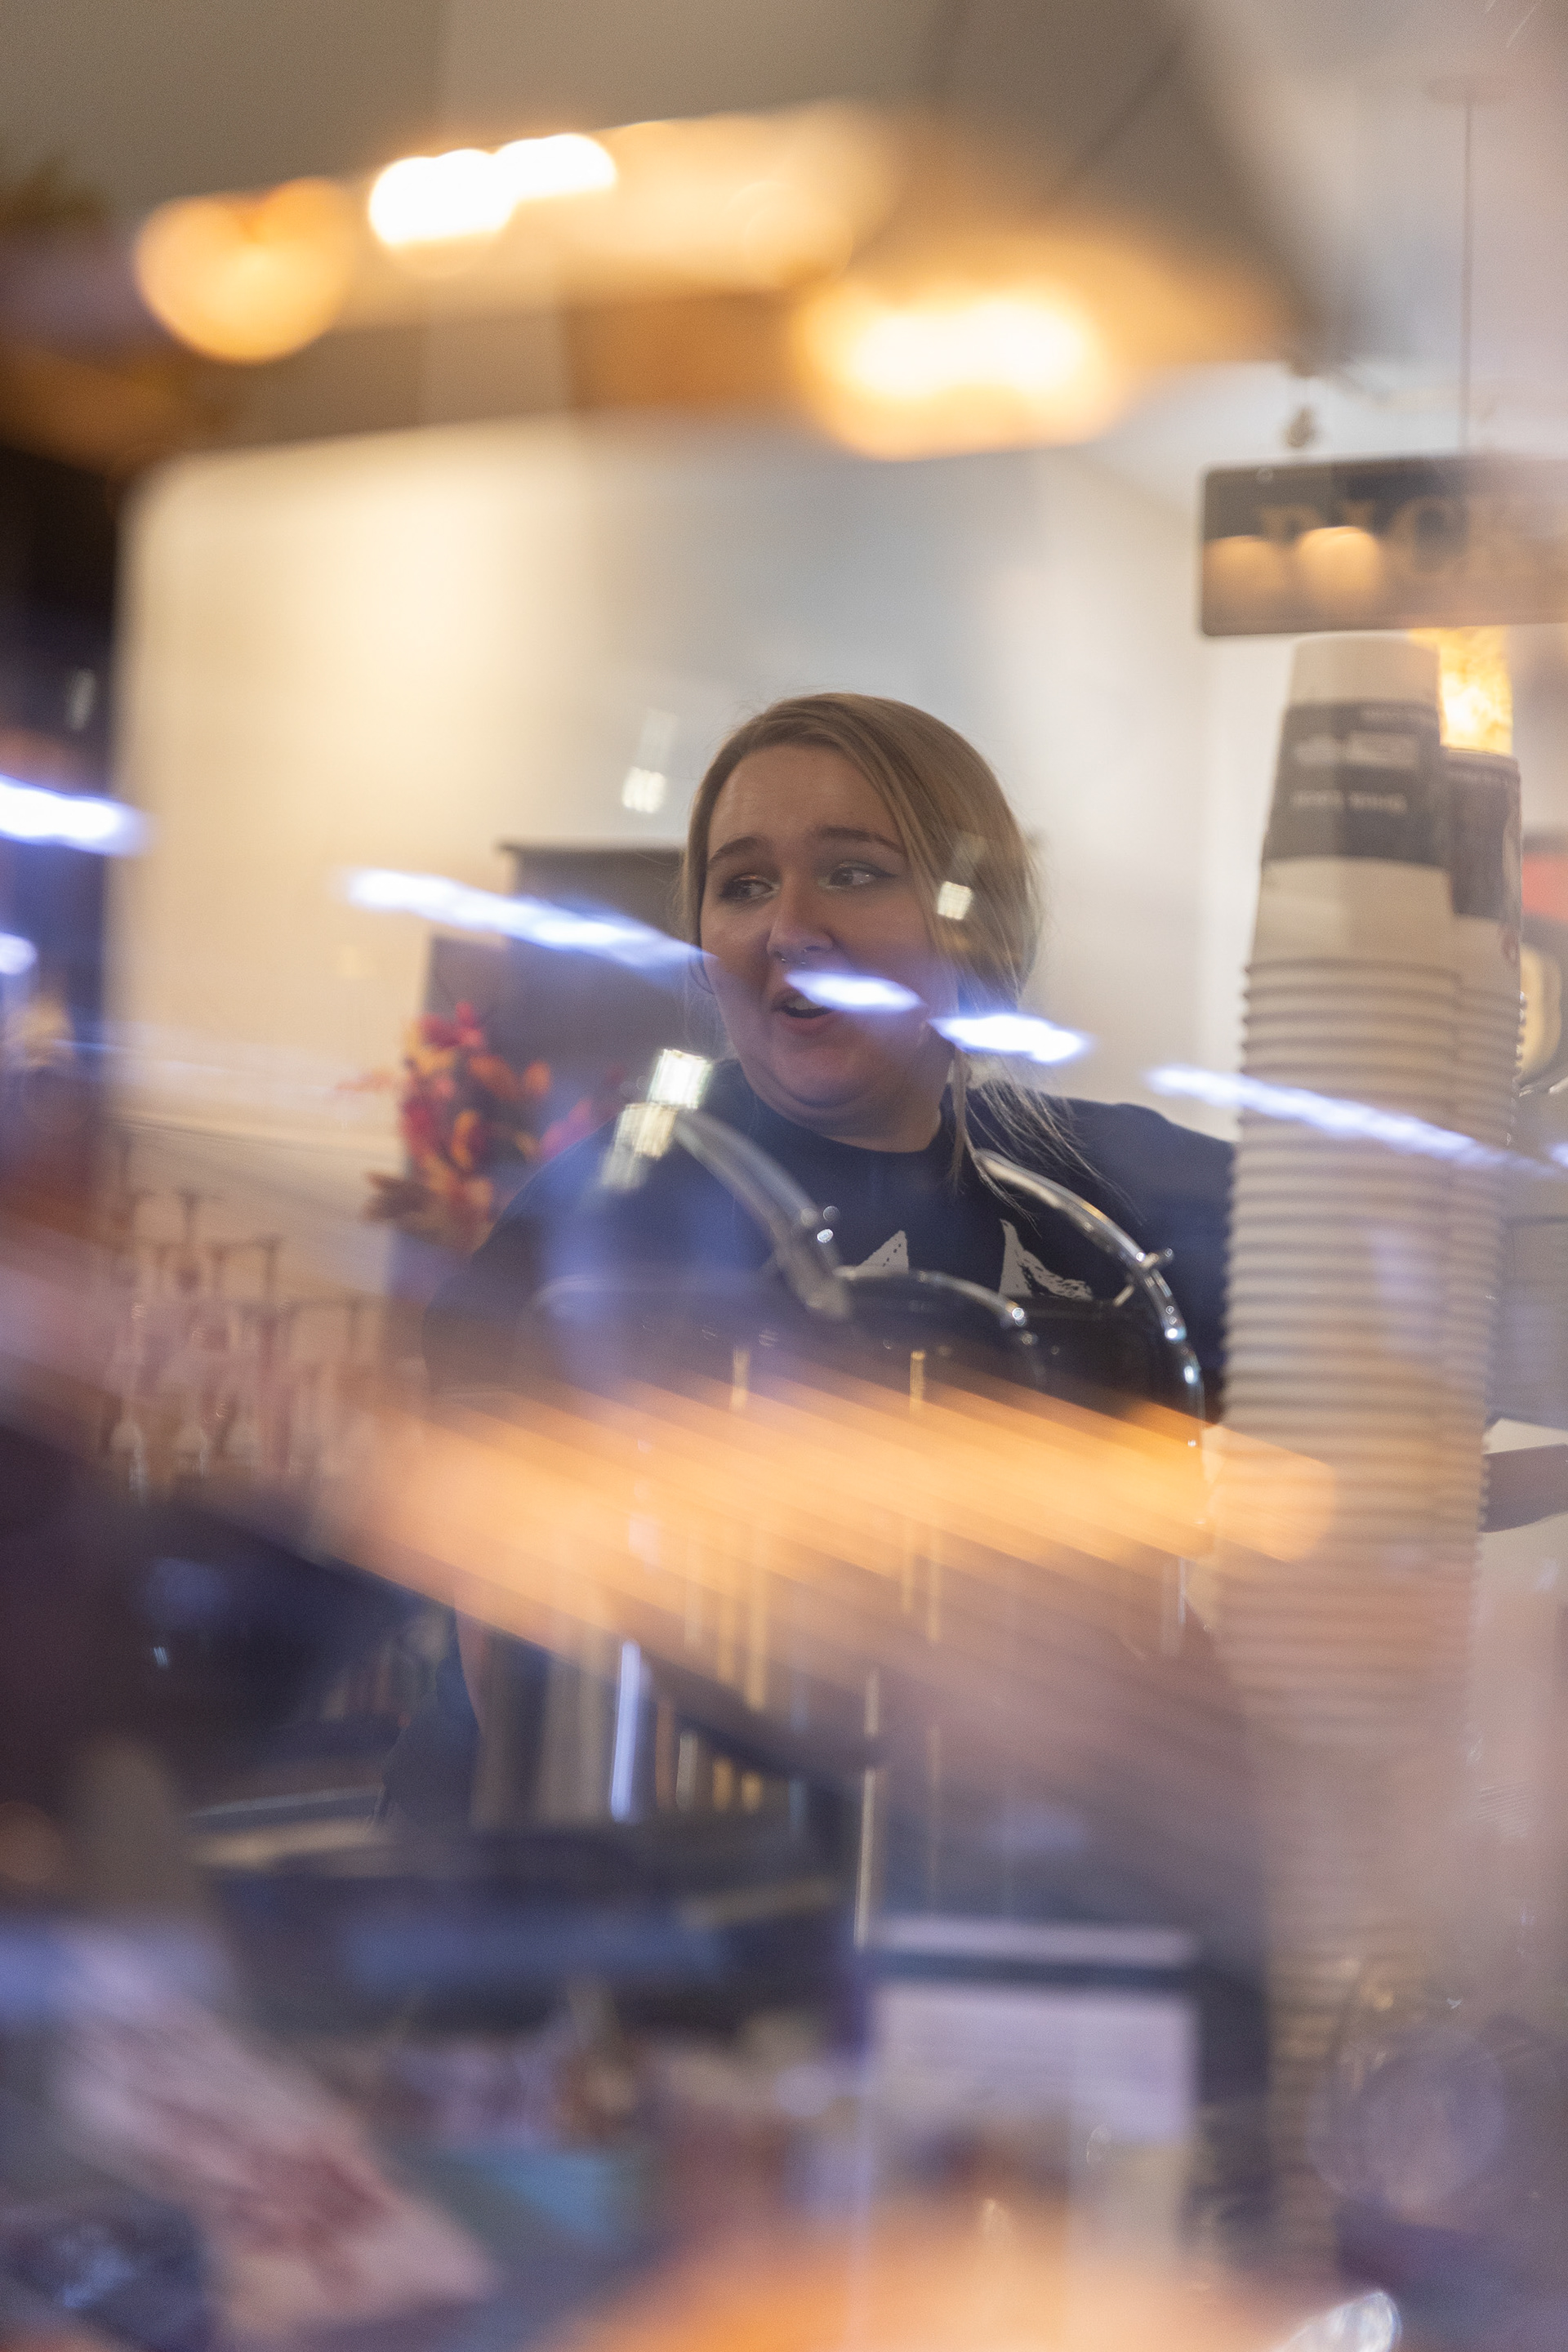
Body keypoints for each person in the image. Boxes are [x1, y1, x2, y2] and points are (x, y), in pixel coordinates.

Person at [427, 692, 1232, 1401]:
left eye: (853, 873)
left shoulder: (1104, 1191)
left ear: (982, 931)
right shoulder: (612, 1210)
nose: (788, 930)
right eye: (745, 886)